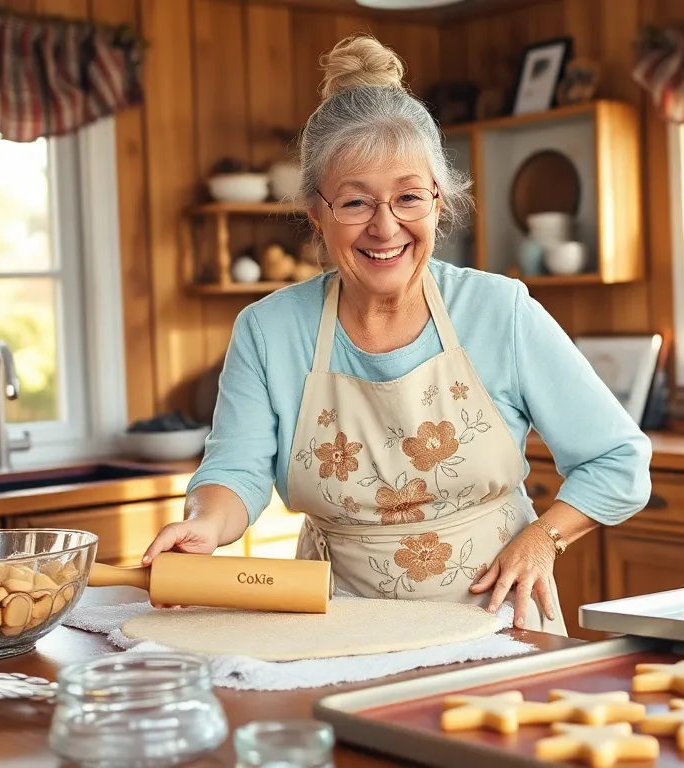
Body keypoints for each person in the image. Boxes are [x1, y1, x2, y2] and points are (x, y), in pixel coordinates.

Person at [141, 35, 652, 634]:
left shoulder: (499, 310)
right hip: (334, 627)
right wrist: (205, 522)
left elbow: (618, 461)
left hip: (495, 623)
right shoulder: (268, 330)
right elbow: (236, 471)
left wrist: (543, 538)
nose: (386, 228)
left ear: (439, 201)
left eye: (409, 197)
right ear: (317, 214)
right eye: (356, 203)